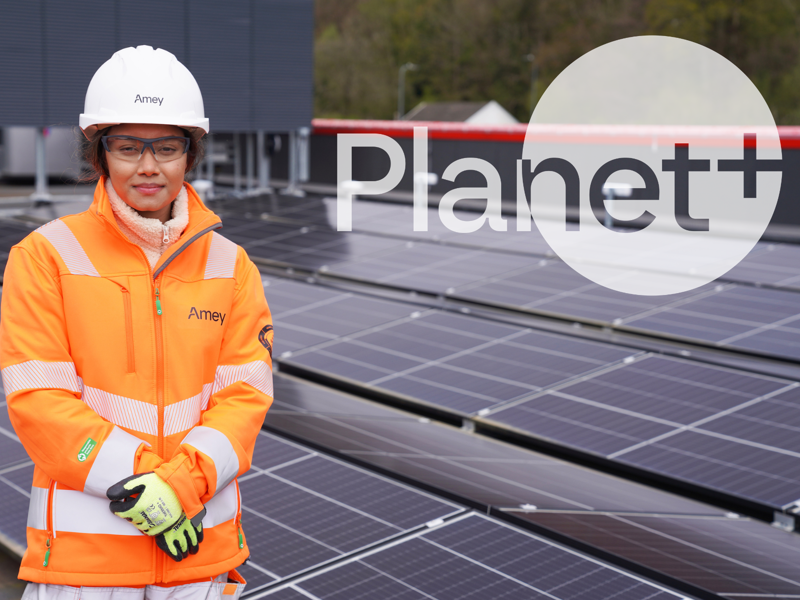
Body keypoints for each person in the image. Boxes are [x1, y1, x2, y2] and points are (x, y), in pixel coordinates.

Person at [0, 46, 273, 598]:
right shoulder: (45, 257)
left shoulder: (232, 267)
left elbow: (245, 397)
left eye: (167, 147)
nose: (148, 167)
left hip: (198, 558)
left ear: (190, 155)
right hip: (86, 567)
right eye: (128, 148)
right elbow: (40, 402)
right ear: (100, 154)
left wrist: (181, 484)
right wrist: (144, 480)